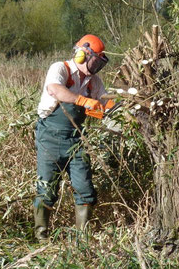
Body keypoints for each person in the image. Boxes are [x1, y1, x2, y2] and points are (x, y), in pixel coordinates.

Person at [33, 34, 114, 241]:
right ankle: (42, 238)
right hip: (49, 136)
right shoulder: (60, 69)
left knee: (85, 188)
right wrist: (85, 101)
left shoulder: (93, 81)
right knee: (47, 188)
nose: (96, 66)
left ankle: (82, 240)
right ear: (81, 55)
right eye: (94, 60)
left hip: (76, 139)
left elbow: (105, 104)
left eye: (99, 62)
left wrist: (117, 108)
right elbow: (55, 90)